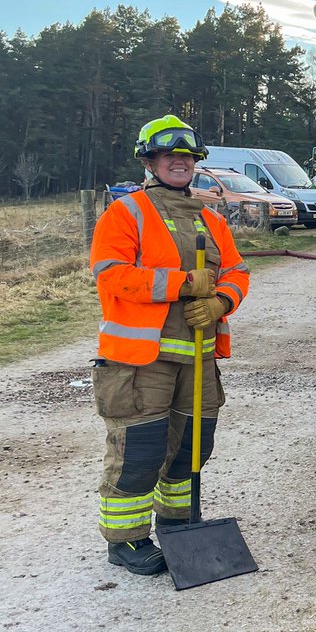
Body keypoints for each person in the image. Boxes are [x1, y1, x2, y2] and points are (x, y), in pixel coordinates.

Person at [89, 115, 250, 575]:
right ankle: (126, 541)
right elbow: (111, 273)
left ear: (197, 163)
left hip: (197, 361)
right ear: (151, 161)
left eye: (187, 156)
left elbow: (237, 273)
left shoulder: (211, 218)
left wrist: (220, 302)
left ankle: (177, 523)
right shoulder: (127, 212)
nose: (180, 163)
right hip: (141, 362)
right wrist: (184, 283)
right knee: (140, 452)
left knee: (191, 450)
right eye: (170, 156)